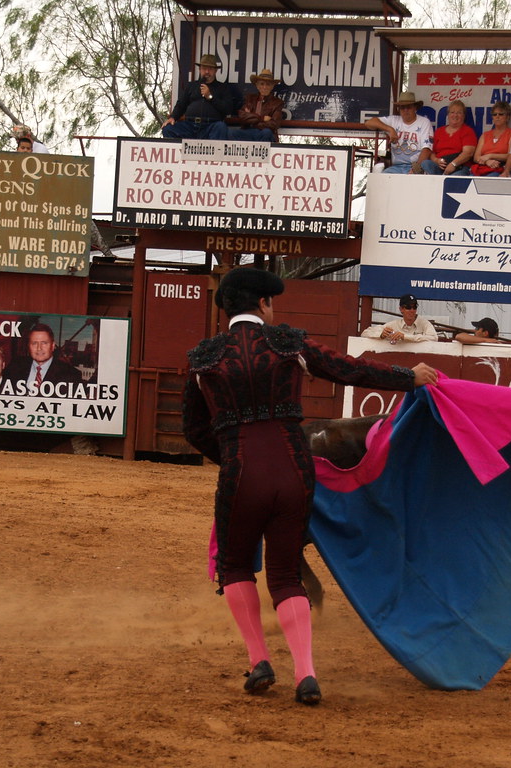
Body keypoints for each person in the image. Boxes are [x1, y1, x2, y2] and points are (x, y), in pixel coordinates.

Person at [181, 267, 439, 705]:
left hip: (240, 473)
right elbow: (348, 370)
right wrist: (406, 377)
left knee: (237, 567)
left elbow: (193, 429)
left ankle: (260, 661)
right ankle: (306, 673)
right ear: (263, 304)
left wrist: (231, 455)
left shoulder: (202, 358)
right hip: (292, 467)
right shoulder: (287, 343)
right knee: (285, 573)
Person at [162, 54, 234, 140]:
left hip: (211, 126)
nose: (207, 71)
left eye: (210, 69)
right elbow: (181, 104)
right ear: (200, 69)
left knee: (221, 127)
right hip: (190, 126)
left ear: (215, 70)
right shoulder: (192, 86)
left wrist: (210, 97)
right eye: (204, 68)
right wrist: (173, 117)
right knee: (168, 129)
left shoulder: (223, 88)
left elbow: (228, 109)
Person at [364, 91, 434, 174]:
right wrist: (390, 129)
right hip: (395, 167)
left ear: (415, 108)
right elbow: (369, 123)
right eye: (402, 107)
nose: (405, 110)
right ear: (399, 109)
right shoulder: (393, 120)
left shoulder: (424, 122)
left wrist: (416, 168)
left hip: (415, 166)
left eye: (409, 107)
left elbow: (426, 150)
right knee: (382, 180)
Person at [4, 323, 83, 391]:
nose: (39, 348)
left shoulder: (71, 375)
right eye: (34, 343)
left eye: (44, 343)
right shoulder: (14, 367)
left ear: (52, 346)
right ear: (28, 346)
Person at [421, 100, 477, 175]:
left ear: (464, 116)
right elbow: (432, 152)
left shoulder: (468, 131)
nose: (455, 115)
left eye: (459, 113)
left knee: (454, 178)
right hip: (440, 166)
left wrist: (453, 164)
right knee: (426, 163)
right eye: (452, 112)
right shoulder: (439, 131)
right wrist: (436, 160)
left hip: (459, 167)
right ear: (448, 115)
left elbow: (468, 153)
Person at [228, 69, 283, 141]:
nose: (264, 87)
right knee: (231, 133)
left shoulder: (277, 103)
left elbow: (274, 124)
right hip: (249, 132)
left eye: (268, 84)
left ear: (272, 86)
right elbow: (242, 116)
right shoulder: (249, 98)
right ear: (257, 85)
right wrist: (261, 118)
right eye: (262, 84)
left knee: (267, 132)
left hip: (264, 133)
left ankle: (260, 152)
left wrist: (253, 122)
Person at [361, 294, 438, 343]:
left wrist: (405, 336)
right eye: (408, 307)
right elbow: (365, 333)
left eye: (414, 307)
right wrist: (381, 335)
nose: (412, 310)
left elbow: (434, 338)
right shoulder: (394, 325)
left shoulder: (424, 323)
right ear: (401, 309)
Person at [470, 101, 511, 176]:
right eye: (494, 114)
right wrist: (487, 161)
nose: (497, 116)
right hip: (483, 166)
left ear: (507, 117)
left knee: (491, 178)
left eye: (501, 114)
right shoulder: (485, 135)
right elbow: (476, 157)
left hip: (500, 168)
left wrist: (490, 156)